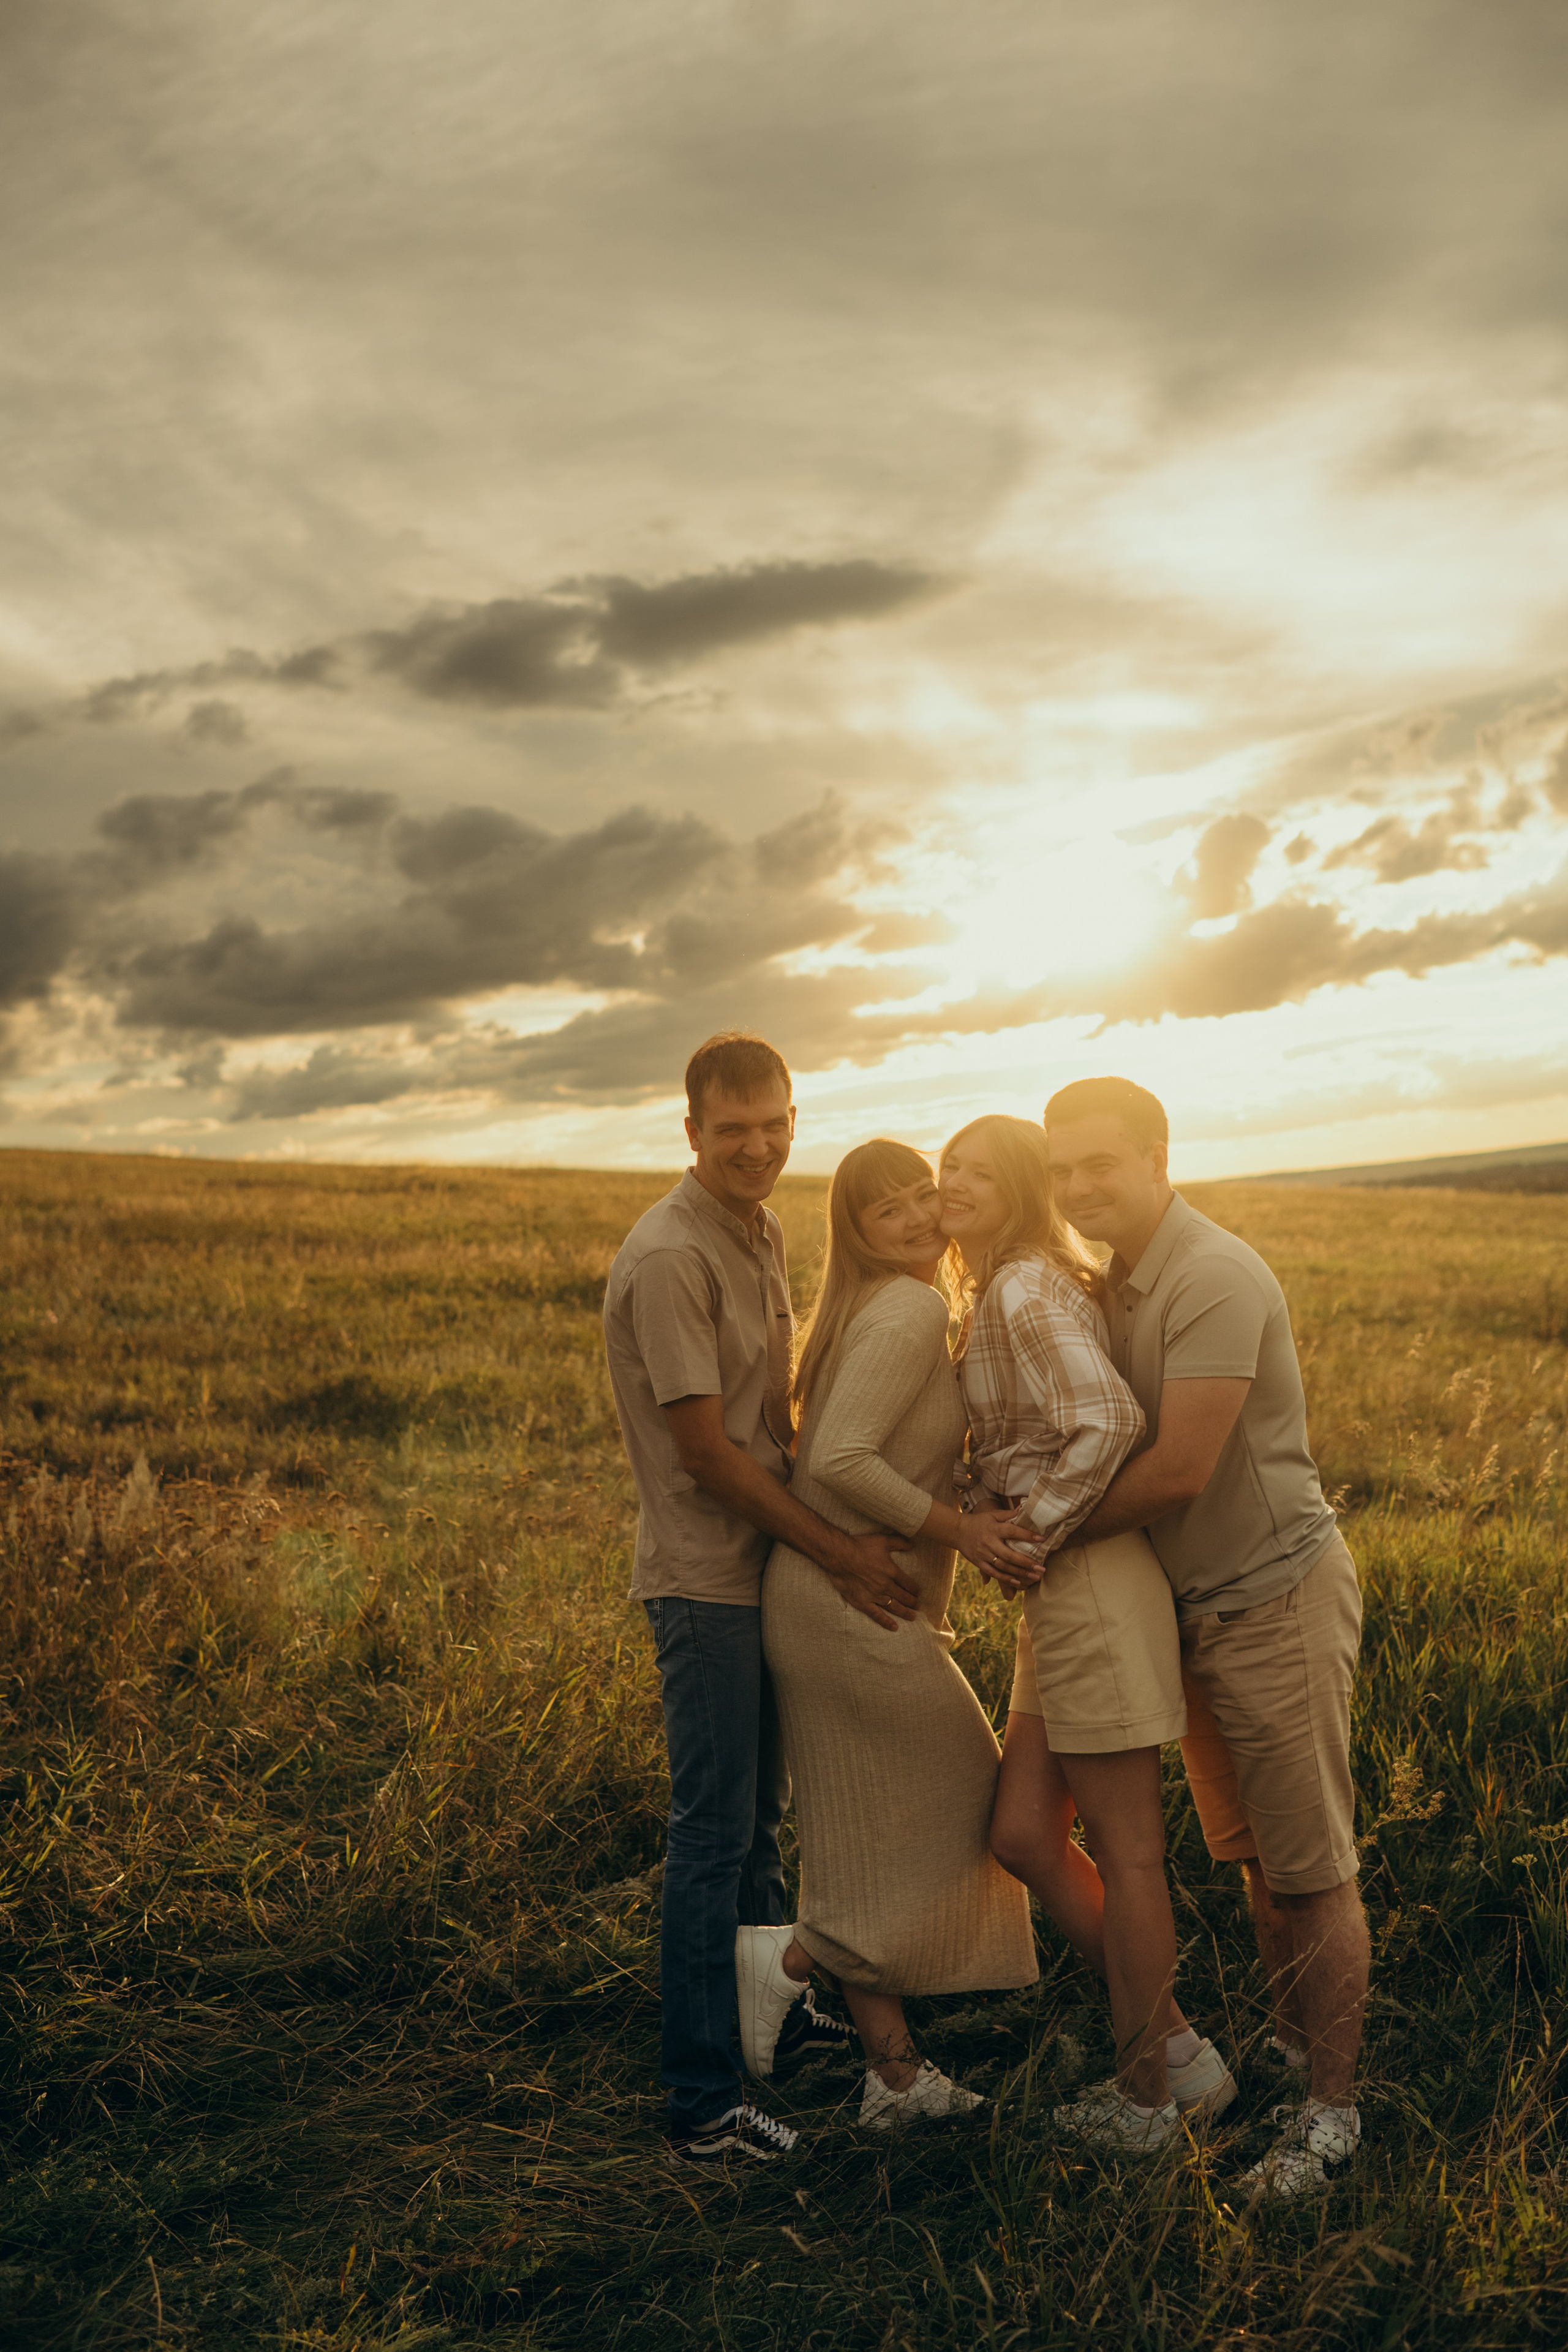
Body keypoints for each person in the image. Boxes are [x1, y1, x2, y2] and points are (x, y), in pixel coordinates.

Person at [602, 1031, 922, 2171]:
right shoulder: (669, 1258)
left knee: (756, 1830)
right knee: (709, 1835)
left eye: (774, 1123)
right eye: (731, 1129)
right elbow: (710, 1458)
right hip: (707, 1584)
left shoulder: (766, 1227)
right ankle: (700, 2103)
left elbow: (771, 1423)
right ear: (691, 1133)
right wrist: (839, 1549)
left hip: (765, 1573)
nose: (758, 1145)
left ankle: (778, 2005)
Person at [1048, 1076, 1368, 2199]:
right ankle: (1287, 2056)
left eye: (1102, 1163)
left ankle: (1332, 2116)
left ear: (1157, 1158)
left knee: (1312, 1868)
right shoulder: (1118, 1285)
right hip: (1199, 1618)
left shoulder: (1213, 1275)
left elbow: (1179, 1468)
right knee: (1254, 1864)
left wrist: (1032, 1532)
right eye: (1064, 1169)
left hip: (1274, 1598)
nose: (1080, 1187)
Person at [938, 1115, 1236, 2152]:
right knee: (1023, 1832)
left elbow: (1107, 1420)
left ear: (1021, 1190)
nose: (956, 1184)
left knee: (1130, 1851)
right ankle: (1182, 2052)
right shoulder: (1002, 1285)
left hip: (1090, 1582)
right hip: (1058, 1591)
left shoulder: (1021, 1287)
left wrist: (1033, 1530)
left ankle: (1147, 2098)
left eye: (981, 1171)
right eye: (947, 1170)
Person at [752, 1140, 1039, 2130]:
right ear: (859, 1236)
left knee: (857, 1833)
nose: (920, 1217)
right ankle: (788, 1959)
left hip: (840, 1601)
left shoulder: (896, 1305)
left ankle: (894, 2078)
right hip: (845, 1611)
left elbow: (882, 1448)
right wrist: (960, 1530)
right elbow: (837, 1459)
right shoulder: (912, 1307)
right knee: (968, 1789)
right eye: (890, 1213)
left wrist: (961, 1493)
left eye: (924, 1194)